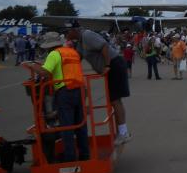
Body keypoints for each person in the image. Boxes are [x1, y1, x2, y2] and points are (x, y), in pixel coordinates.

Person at [25, 32, 90, 162]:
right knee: (80, 125)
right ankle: (85, 154)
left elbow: (45, 72)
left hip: (65, 92)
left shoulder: (54, 54)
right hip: (80, 90)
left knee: (66, 127)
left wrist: (32, 66)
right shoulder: (71, 52)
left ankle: (70, 158)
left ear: (49, 46)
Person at [65, 25, 132, 146]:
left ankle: (123, 133)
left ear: (74, 30)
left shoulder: (87, 35)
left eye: (67, 31)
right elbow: (77, 58)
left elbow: (104, 46)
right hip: (112, 66)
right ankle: (122, 132)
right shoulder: (80, 42)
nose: (66, 34)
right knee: (115, 101)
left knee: (115, 100)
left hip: (114, 65)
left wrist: (107, 65)